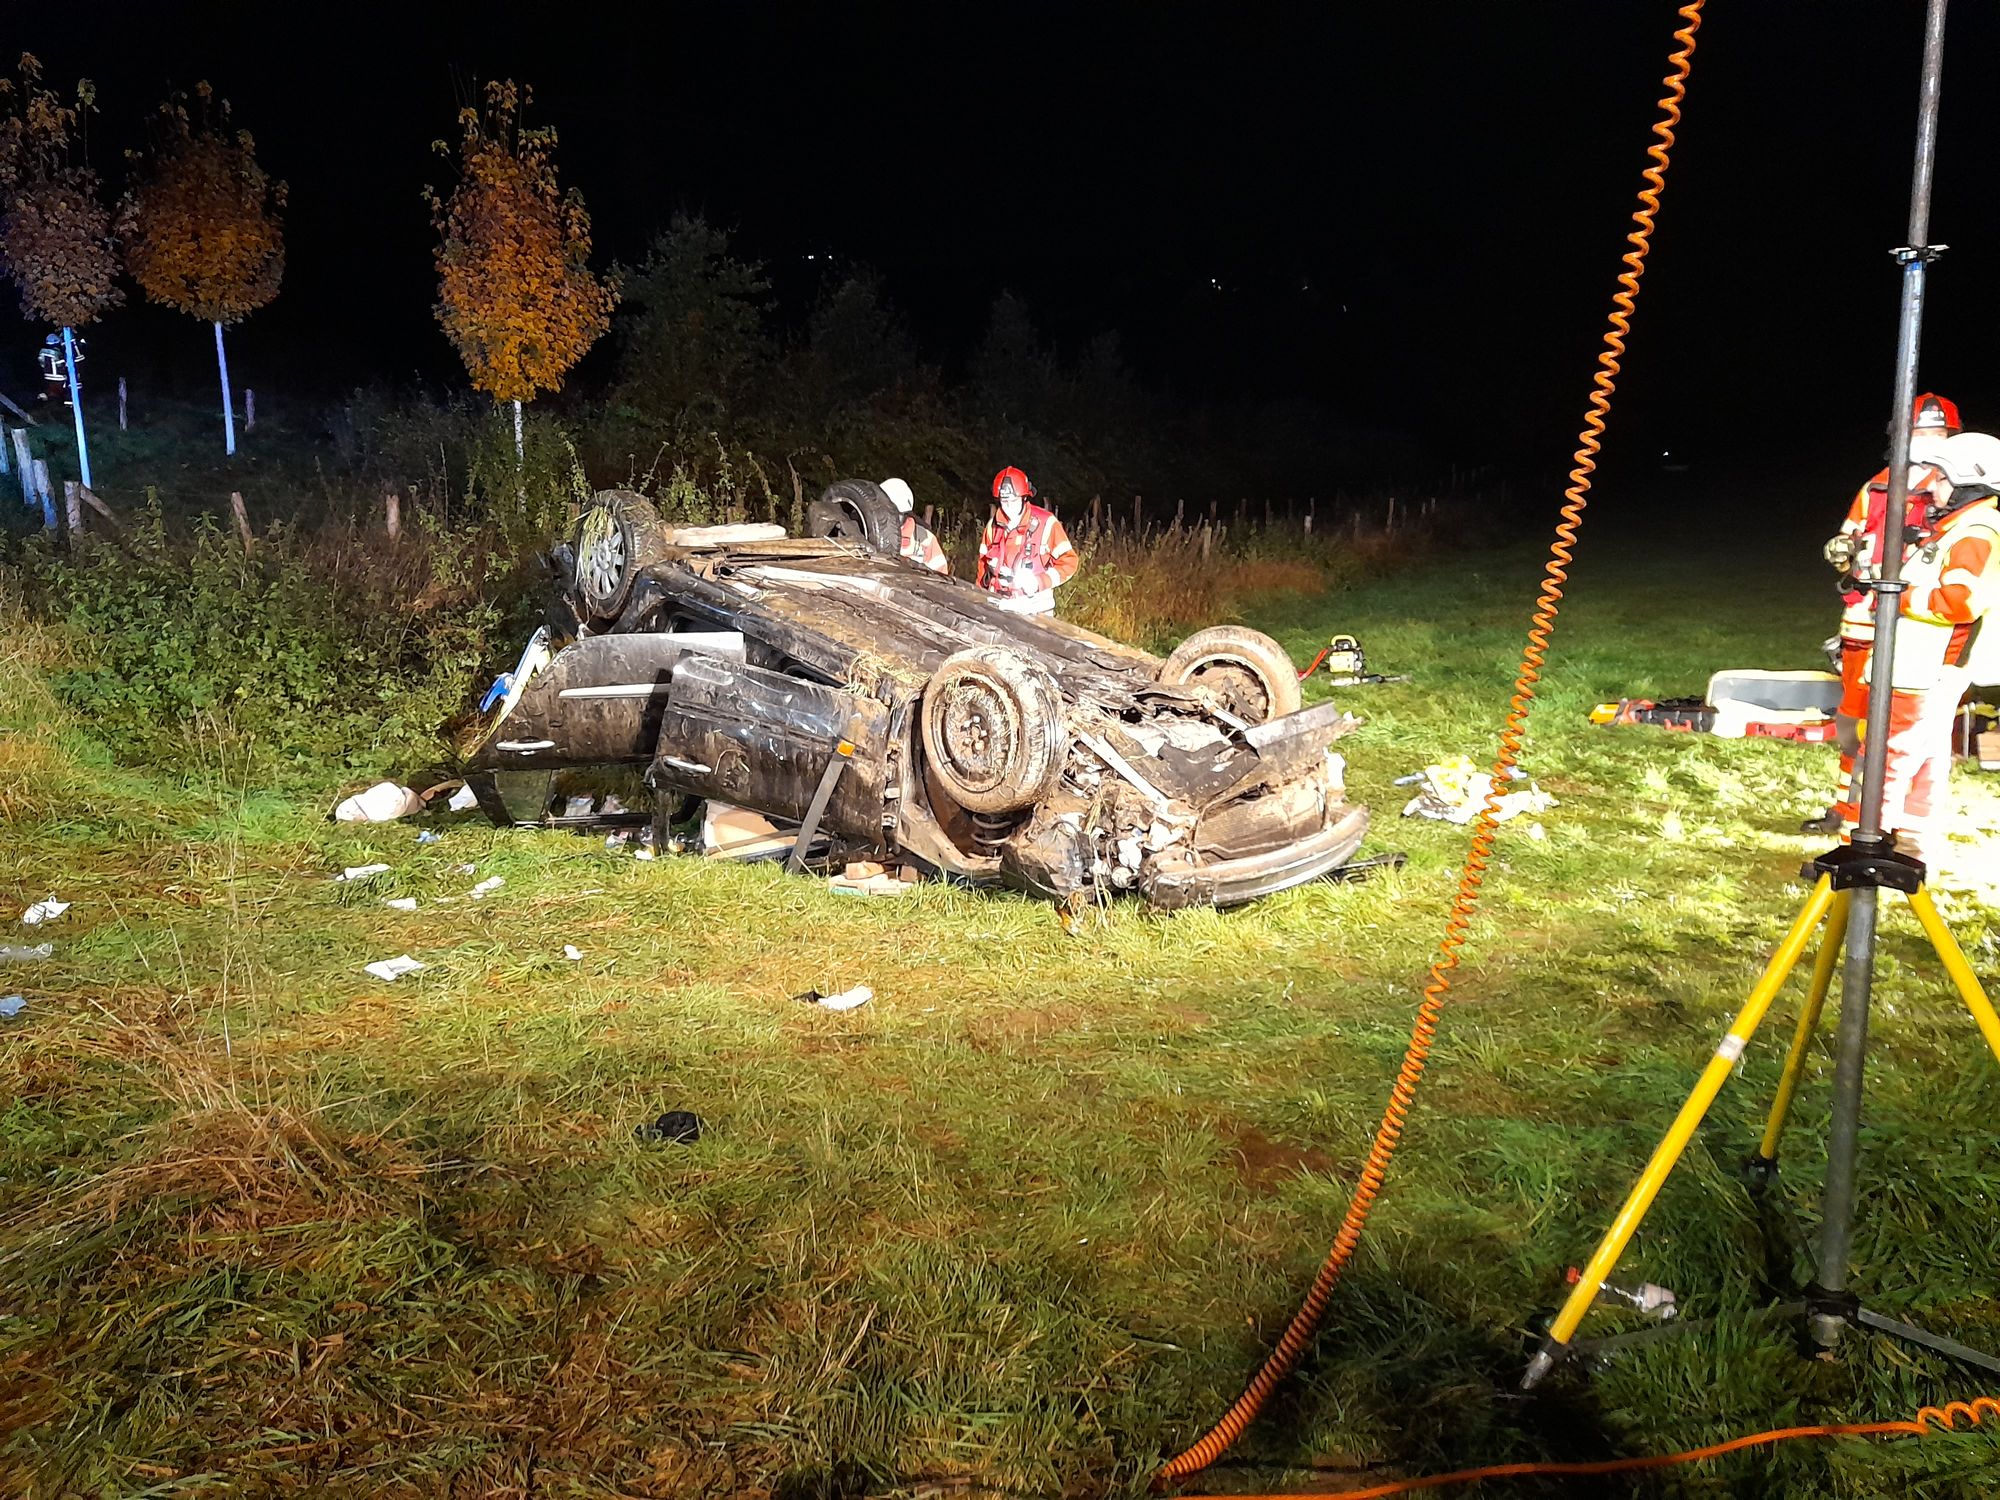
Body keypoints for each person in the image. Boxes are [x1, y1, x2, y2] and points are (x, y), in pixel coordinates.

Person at [1802, 391, 1959, 834]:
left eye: (1936, 433)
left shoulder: (1955, 494)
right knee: (1852, 724)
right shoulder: (1876, 486)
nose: (1927, 441)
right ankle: (1846, 810)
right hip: (1863, 623)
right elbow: (1848, 540)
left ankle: (1896, 823)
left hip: (1918, 628)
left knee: (1902, 732)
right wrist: (1845, 553)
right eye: (1919, 431)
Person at [1863, 428, 2000, 863]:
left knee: (1892, 754)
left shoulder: (1975, 531)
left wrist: (1895, 594)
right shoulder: (1964, 526)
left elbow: (1958, 602)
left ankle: (1870, 840)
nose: (1932, 485)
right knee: (1926, 756)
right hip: (1932, 666)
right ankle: (1912, 840)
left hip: (1926, 667)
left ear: (1968, 482)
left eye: (1941, 477)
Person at [974, 466, 1077, 615]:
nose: (1008, 506)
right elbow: (982, 568)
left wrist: (1040, 582)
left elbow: (1069, 562)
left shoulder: (1046, 523)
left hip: (1035, 608)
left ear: (1024, 497)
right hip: (998, 604)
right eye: (1004, 501)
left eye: (1013, 500)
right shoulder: (993, 527)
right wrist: (979, 598)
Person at [881, 477, 948, 573]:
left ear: (904, 513)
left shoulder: (925, 540)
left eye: (891, 513)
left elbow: (942, 578)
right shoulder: (865, 531)